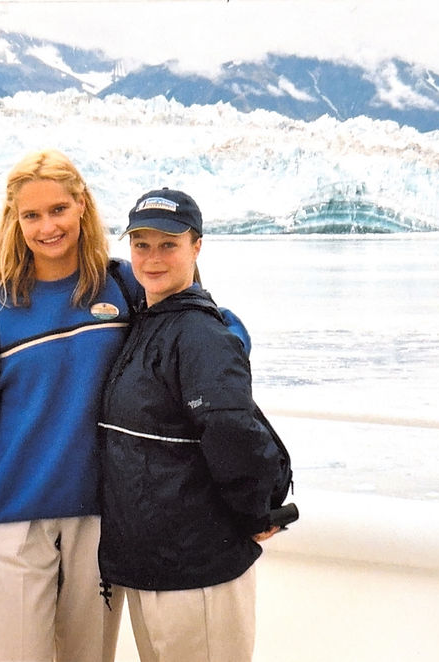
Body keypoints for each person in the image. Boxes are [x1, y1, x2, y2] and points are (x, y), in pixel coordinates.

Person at [0, 149, 139, 662]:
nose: (47, 226)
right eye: (32, 215)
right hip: (15, 524)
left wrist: (233, 342)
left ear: (82, 207)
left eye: (58, 210)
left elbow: (202, 324)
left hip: (101, 518)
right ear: (15, 220)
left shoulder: (124, 286)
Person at [97, 188, 293, 662]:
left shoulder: (201, 334)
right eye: (141, 244)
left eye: (169, 244)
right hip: (155, 566)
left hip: (197, 569)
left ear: (197, 246)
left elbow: (231, 430)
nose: (153, 257)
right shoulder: (151, 322)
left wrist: (254, 512)